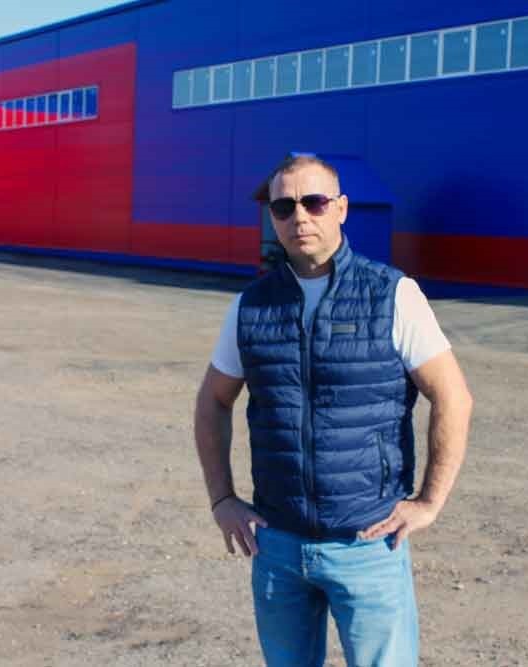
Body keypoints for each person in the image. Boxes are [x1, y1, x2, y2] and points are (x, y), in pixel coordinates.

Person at [194, 155, 473, 667]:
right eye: (284, 206)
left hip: (367, 545)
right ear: (273, 216)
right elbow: (213, 399)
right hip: (278, 546)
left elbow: (453, 395)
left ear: (341, 209)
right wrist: (222, 498)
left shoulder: (392, 296)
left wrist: (430, 501)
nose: (299, 216)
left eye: (314, 202)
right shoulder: (251, 307)